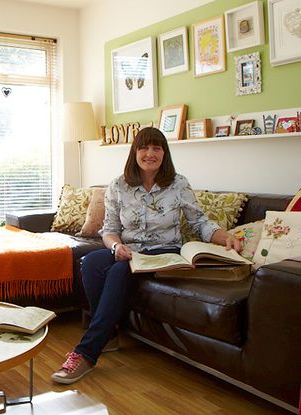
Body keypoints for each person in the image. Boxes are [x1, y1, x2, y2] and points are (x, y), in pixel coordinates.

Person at [51, 127, 241, 384]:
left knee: (120, 270)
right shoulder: (118, 185)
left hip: (165, 252)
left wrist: (225, 237)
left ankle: (85, 353)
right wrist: (116, 247)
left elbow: (200, 223)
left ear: (164, 153)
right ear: (135, 151)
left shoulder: (179, 184)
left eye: (156, 148)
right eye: (144, 147)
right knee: (90, 262)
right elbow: (109, 231)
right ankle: (108, 334)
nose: (150, 153)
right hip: (130, 250)